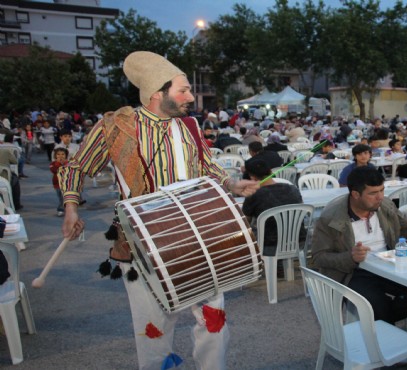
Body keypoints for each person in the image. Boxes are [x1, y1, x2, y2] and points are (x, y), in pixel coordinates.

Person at [58, 51, 258, 370]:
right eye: (183, 90)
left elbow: (207, 167)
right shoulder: (116, 127)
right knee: (153, 330)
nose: (191, 96)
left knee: (213, 318)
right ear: (157, 94)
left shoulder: (190, 126)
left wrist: (233, 185)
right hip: (141, 243)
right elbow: (76, 168)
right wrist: (71, 208)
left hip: (195, 237)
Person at [311, 166, 407, 323]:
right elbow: (318, 257)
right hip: (354, 272)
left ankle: (389, 322)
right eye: (373, 193)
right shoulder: (331, 218)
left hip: (389, 265)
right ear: (355, 194)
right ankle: (391, 325)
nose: (380, 197)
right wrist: (350, 257)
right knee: (377, 306)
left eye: (381, 190)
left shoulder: (385, 205)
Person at [241, 159, 303, 256]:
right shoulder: (292, 189)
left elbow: (245, 223)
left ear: (251, 177)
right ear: (270, 171)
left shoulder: (253, 195)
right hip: (298, 242)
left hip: (269, 246)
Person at [49, 148, 68, 216]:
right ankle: (65, 207)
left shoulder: (68, 163)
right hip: (57, 184)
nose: (61, 156)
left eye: (63, 154)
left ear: (66, 155)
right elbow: (54, 170)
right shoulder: (53, 164)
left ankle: (61, 209)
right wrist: (60, 164)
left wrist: (65, 164)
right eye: (58, 154)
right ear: (55, 156)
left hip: (66, 184)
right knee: (60, 197)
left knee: (64, 197)